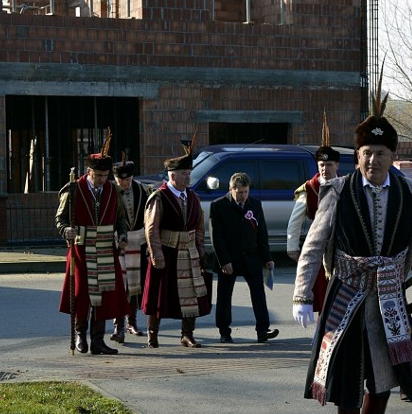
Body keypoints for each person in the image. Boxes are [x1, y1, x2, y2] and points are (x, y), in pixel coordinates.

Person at [292, 87, 412, 414]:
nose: (373, 160)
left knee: (382, 376)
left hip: (389, 302)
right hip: (345, 295)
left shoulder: (409, 193)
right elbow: (314, 245)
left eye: (380, 154)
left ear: (392, 157)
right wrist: (301, 296)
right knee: (346, 376)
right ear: (357, 156)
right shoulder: (337, 191)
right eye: (366, 154)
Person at [55, 145, 129, 355]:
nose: (102, 180)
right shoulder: (73, 189)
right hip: (81, 249)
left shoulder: (113, 190)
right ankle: (80, 335)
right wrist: (66, 230)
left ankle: (98, 340)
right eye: (98, 175)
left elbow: (120, 219)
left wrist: (122, 236)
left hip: (106, 248)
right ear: (88, 172)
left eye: (105, 176)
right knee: (81, 295)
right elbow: (60, 219)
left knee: (105, 296)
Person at [141, 141, 212, 349]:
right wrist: (157, 256)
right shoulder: (159, 197)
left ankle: (187, 335)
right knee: (159, 297)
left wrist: (199, 249)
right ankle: (152, 335)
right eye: (184, 174)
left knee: (192, 296)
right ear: (172, 175)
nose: (188, 177)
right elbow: (151, 228)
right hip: (166, 253)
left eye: (189, 173)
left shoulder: (193, 197)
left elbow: (199, 226)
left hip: (189, 253)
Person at [210, 172, 278, 344]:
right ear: (231, 189)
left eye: (246, 192)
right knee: (224, 297)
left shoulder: (254, 204)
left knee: (258, 294)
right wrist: (224, 261)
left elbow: (262, 233)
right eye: (240, 192)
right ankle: (224, 331)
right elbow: (216, 237)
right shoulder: (218, 206)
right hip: (229, 259)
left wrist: (267, 258)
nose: (243, 196)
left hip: (251, 258)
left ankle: (263, 330)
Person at [286, 120, 341, 316]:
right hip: (318, 245)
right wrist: (292, 246)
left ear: (337, 165)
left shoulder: (345, 186)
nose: (325, 169)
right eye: (321, 165)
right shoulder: (309, 188)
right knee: (320, 294)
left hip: (341, 246)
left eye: (329, 164)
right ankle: (321, 332)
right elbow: (295, 220)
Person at [110, 158, 152, 343]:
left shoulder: (143, 190)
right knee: (120, 285)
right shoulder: (110, 192)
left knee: (135, 286)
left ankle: (132, 322)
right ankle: (118, 326)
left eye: (127, 180)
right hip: (118, 243)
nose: (125, 184)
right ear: (115, 178)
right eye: (121, 181)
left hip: (139, 241)